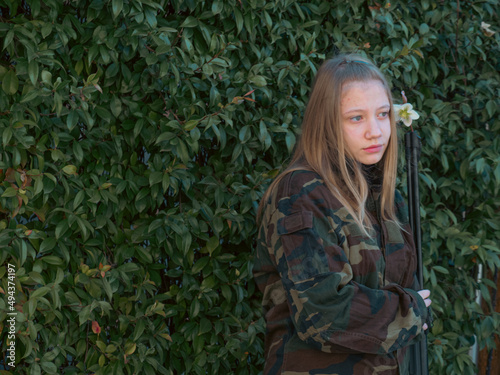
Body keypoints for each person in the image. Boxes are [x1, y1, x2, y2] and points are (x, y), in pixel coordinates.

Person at [253, 54, 432, 375]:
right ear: (327, 122)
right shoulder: (301, 193)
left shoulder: (388, 199)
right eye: (356, 118)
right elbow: (323, 313)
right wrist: (410, 311)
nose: (375, 131)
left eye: (382, 114)